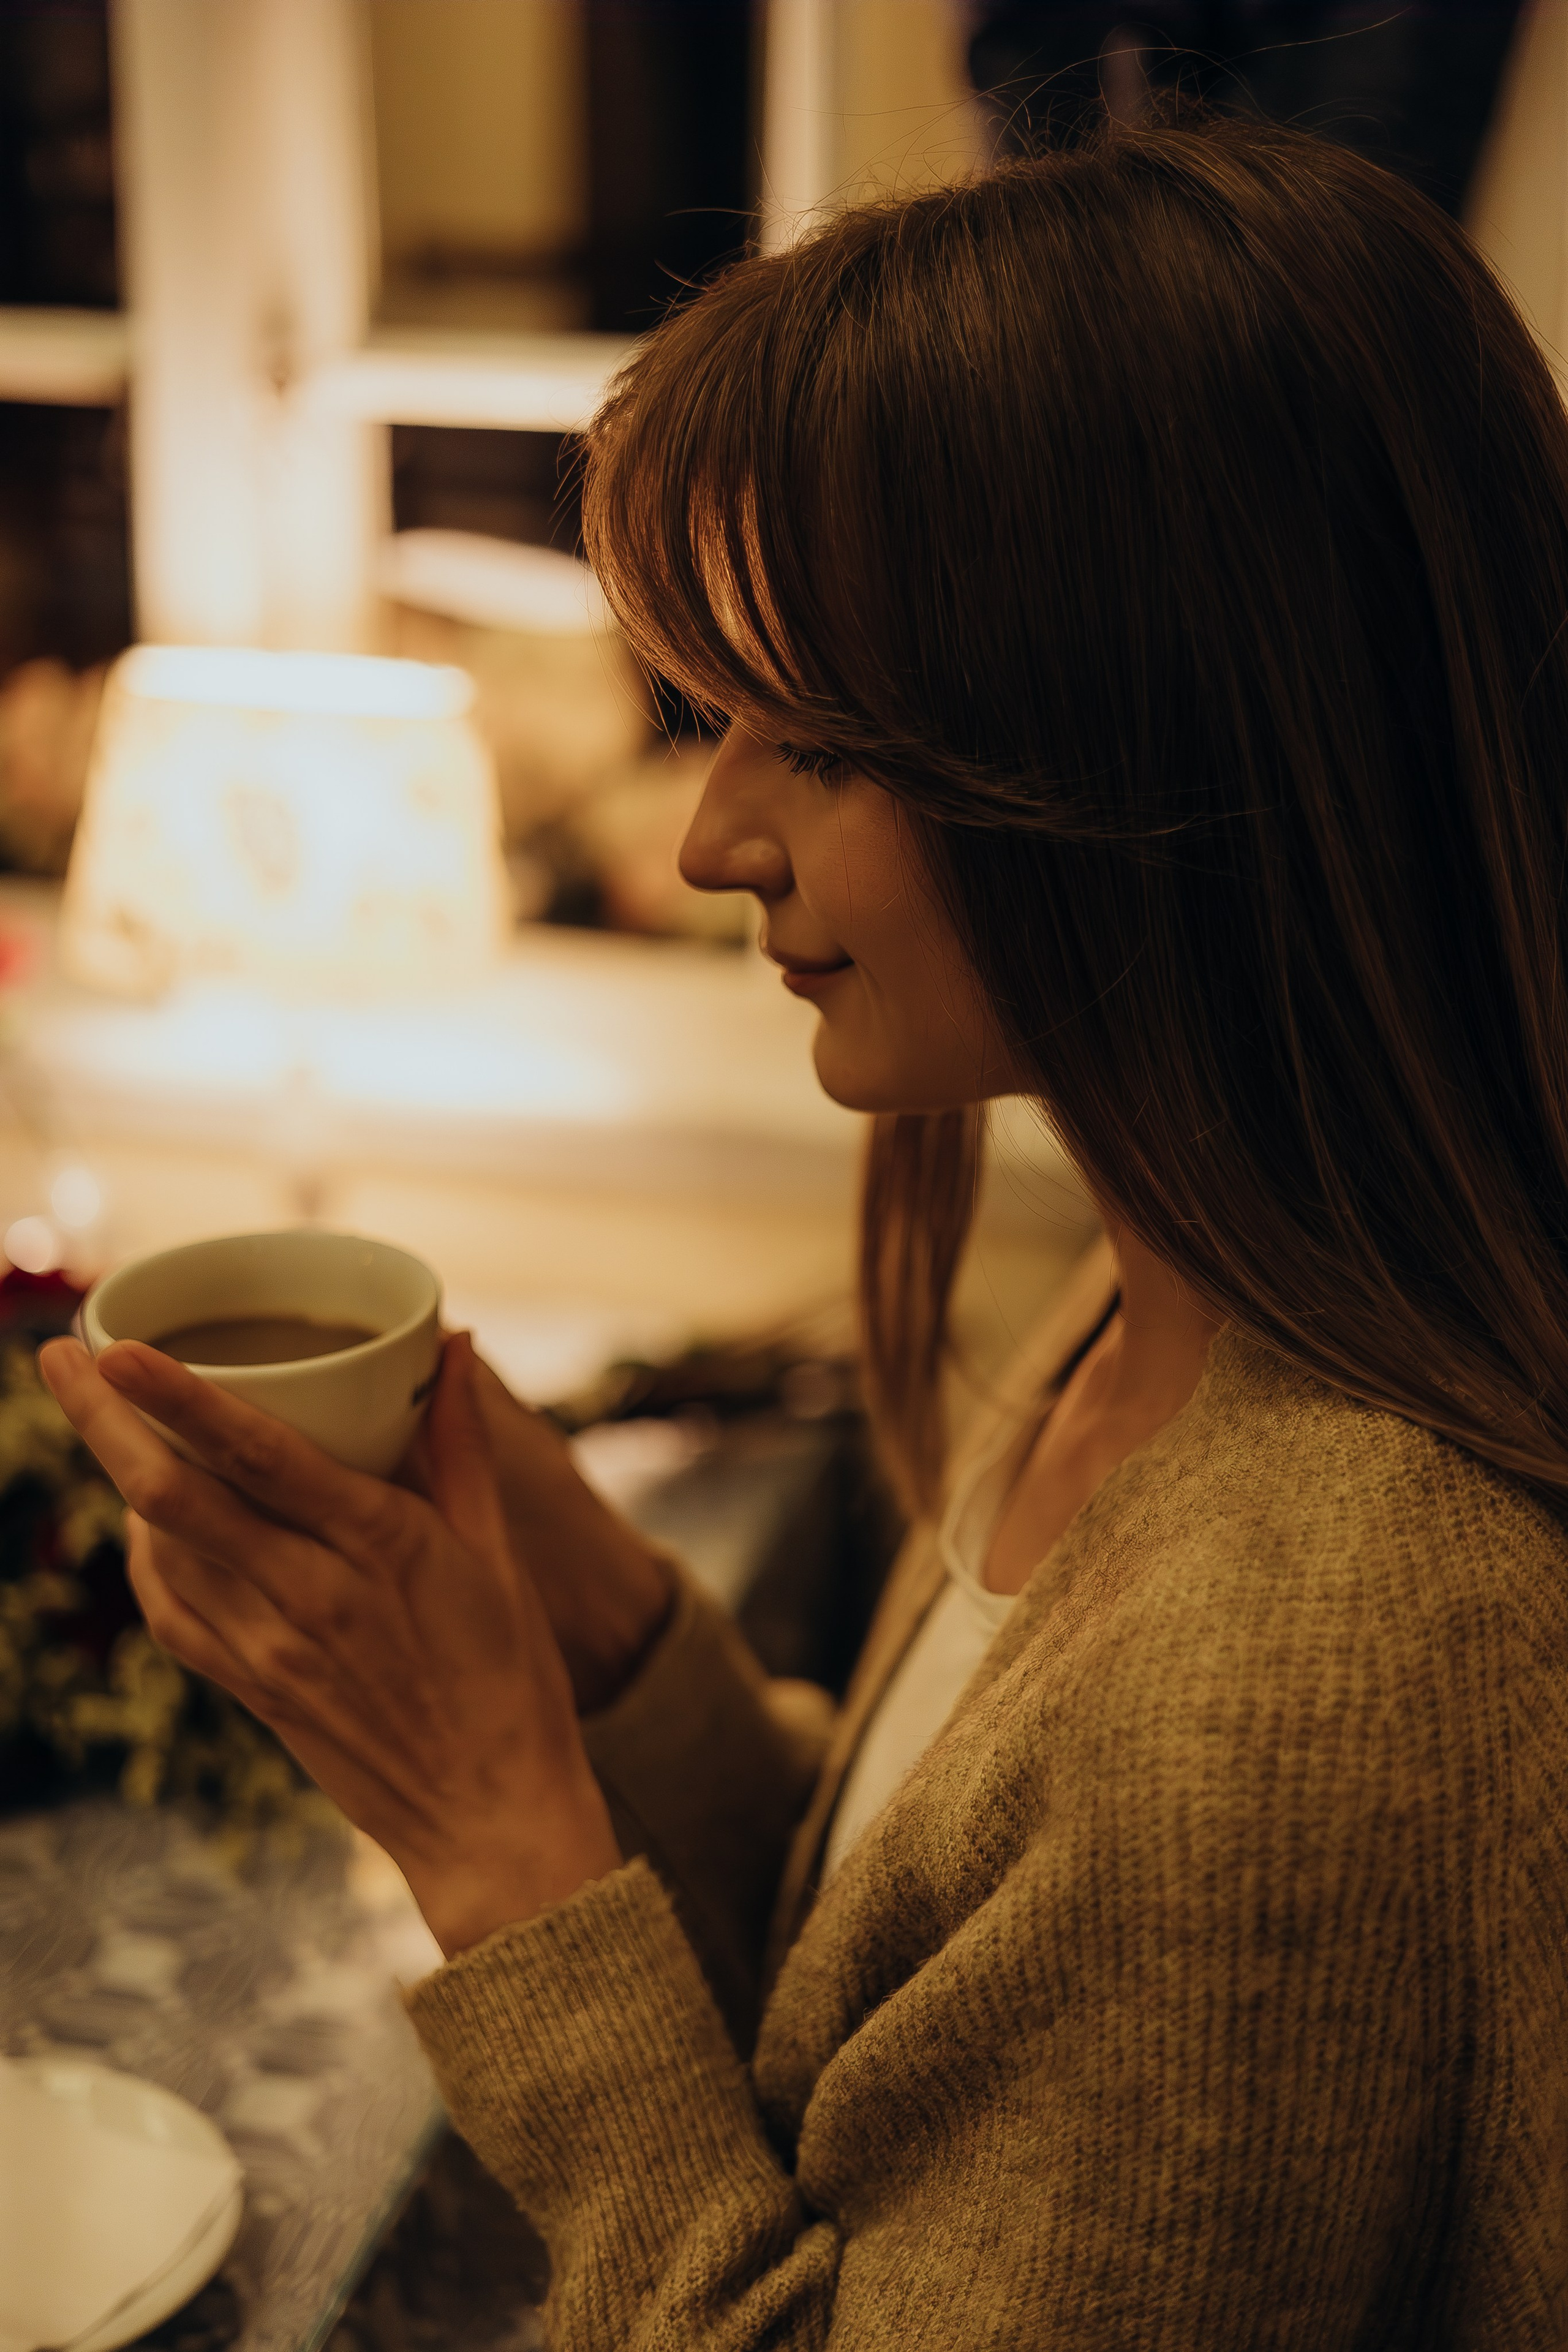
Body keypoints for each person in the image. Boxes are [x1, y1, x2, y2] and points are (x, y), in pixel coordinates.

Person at [40, 112, 1568, 2344]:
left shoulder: (1311, 1655)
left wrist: (493, 1843)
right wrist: (588, 1615)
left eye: (817, 738)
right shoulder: (1175, 1305)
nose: (706, 841)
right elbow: (909, 2009)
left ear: (1172, 771)